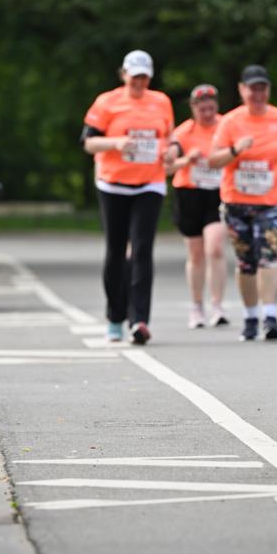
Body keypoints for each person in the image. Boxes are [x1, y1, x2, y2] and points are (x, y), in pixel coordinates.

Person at [81, 50, 174, 345]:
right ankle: (114, 317)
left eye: (144, 77)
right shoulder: (107, 102)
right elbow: (88, 143)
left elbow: (169, 139)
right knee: (116, 250)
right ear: (123, 75)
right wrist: (116, 142)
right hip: (113, 184)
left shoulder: (161, 101)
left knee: (143, 250)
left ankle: (140, 320)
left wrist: (172, 151)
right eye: (134, 77)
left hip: (150, 184)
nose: (139, 82)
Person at [209, 65, 277, 341]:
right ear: (242, 90)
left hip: (273, 200)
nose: (257, 93)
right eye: (252, 88)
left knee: (268, 252)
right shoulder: (230, 122)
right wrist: (234, 150)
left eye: (262, 88)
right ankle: (251, 316)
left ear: (268, 90)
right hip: (236, 201)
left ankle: (270, 316)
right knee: (246, 261)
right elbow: (213, 160)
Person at [167, 84, 228, 328]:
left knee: (215, 248)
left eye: (211, 108)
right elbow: (166, 167)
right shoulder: (182, 133)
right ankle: (196, 307)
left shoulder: (226, 126)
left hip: (218, 193)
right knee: (195, 253)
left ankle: (217, 306)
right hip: (189, 193)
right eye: (202, 109)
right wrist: (186, 160)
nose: (207, 113)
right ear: (193, 108)